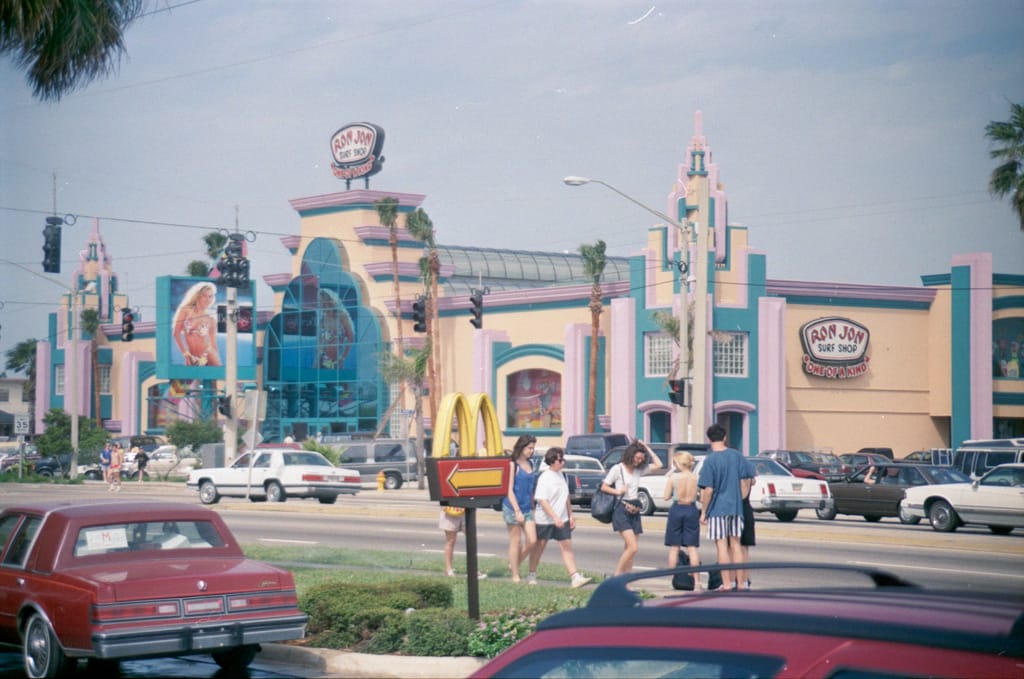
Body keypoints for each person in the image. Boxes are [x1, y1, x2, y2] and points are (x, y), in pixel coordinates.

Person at [526, 447, 592, 588]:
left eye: (563, 459)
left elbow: (566, 496)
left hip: (562, 518)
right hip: (545, 519)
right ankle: (531, 574)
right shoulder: (545, 477)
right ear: (552, 461)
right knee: (540, 546)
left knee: (566, 546)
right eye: (560, 460)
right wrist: (554, 517)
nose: (563, 462)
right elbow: (542, 500)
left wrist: (570, 515)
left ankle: (575, 577)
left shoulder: (563, 475)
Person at [698, 424, 752, 591]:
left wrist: (704, 511)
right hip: (735, 507)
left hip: (717, 509)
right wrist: (741, 498)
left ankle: (727, 584)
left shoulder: (710, 460)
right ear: (724, 437)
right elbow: (749, 477)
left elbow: (708, 489)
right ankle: (741, 583)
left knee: (721, 545)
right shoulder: (736, 456)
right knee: (736, 544)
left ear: (709, 439)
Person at [600, 439, 663, 576]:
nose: (639, 461)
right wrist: (618, 491)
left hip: (634, 509)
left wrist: (646, 447)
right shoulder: (618, 469)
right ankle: (616, 577)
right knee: (633, 548)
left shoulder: (638, 470)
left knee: (629, 549)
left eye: (642, 459)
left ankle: (626, 581)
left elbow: (659, 464)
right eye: (637, 458)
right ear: (630, 455)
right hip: (621, 509)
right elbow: (604, 486)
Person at [503, 434, 538, 583]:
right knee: (515, 542)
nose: (531, 451)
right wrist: (517, 511)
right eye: (529, 448)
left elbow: (531, 489)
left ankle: (514, 564)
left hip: (527, 507)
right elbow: (509, 490)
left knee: (532, 540)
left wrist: (532, 505)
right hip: (512, 507)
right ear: (522, 447)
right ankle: (515, 575)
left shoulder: (531, 464)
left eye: (533, 448)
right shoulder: (513, 464)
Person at [664, 451, 701, 587]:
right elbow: (701, 498)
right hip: (691, 509)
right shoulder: (696, 478)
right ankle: (697, 582)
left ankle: (675, 579)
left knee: (674, 548)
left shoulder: (674, 477)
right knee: (692, 548)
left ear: (679, 463)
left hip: (677, 508)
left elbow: (666, 496)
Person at [172, 281, 222, 367]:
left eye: (210, 296)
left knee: (218, 379)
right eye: (204, 296)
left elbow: (213, 343)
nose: (207, 299)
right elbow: (176, 333)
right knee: (187, 380)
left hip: (208, 356)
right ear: (198, 296)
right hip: (192, 356)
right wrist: (185, 353)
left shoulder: (211, 318)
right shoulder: (186, 310)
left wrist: (216, 355)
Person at [438, 506, 487, 579]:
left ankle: (472, 571)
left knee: (472, 539)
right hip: (450, 510)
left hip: (467, 509)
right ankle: (448, 570)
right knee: (450, 541)